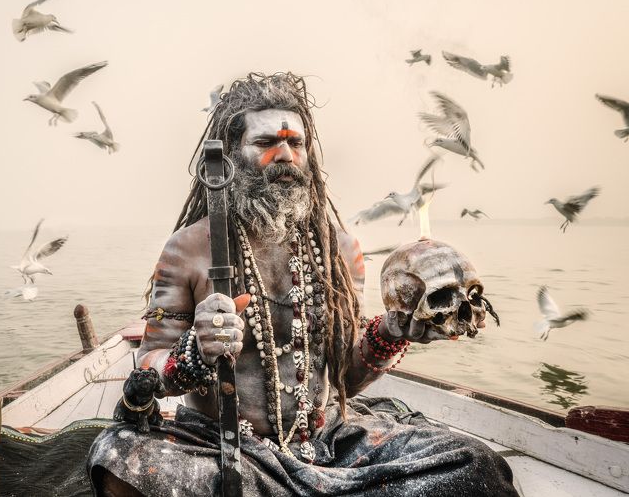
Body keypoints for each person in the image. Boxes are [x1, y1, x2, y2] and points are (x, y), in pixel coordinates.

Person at [88, 72, 518, 496]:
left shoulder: (340, 251)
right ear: (230, 158)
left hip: (327, 442)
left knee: (477, 465)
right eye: (264, 143)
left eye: (295, 143)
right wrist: (193, 352)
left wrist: (390, 332)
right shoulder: (188, 249)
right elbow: (148, 368)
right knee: (119, 457)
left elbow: (347, 377)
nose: (285, 155)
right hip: (224, 447)